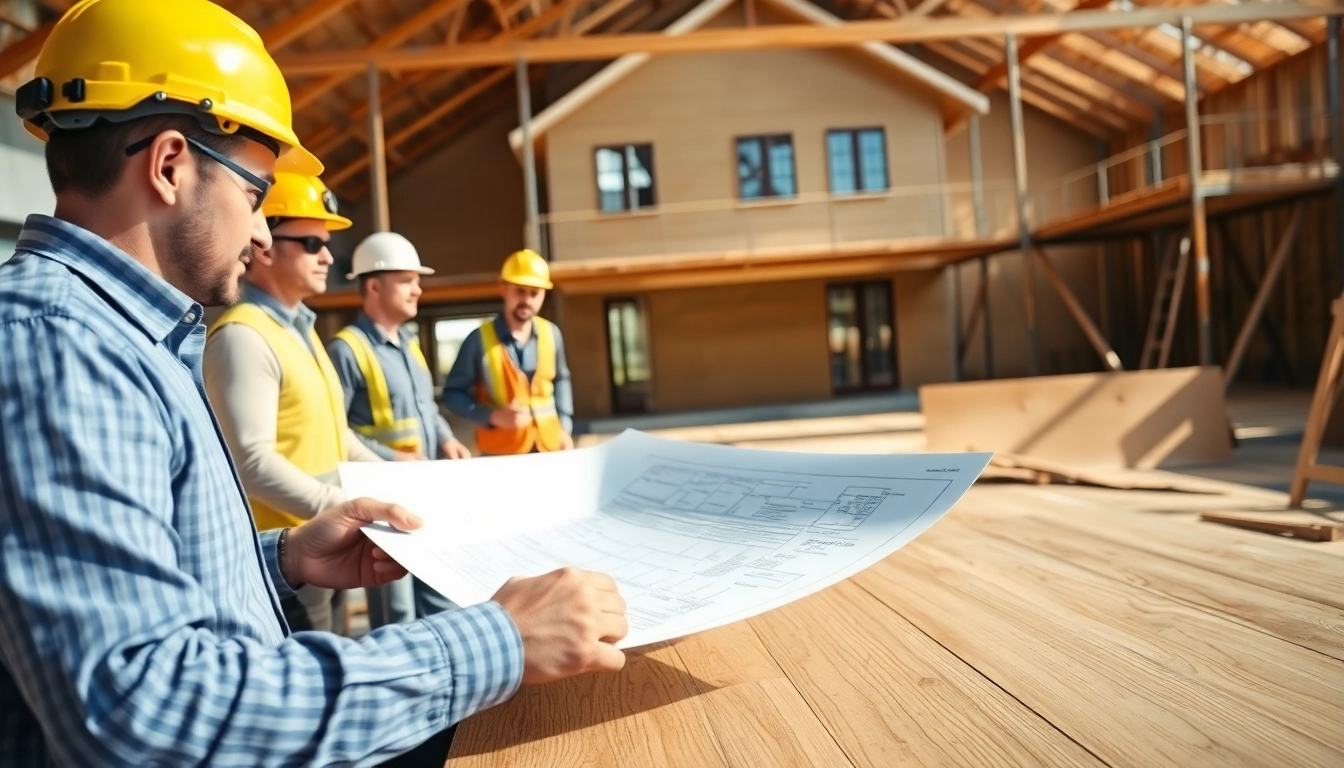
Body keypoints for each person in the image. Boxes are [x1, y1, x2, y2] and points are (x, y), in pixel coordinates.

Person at [0, 1, 626, 766]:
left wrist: (280, 560)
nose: (262, 235)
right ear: (168, 165)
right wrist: (498, 640)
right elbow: (145, 712)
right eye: (257, 197)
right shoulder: (62, 349)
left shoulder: (126, 336)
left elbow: (143, 592)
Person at [203, 171, 382, 634]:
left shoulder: (299, 331)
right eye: (310, 243)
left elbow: (331, 434)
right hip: (286, 556)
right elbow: (252, 463)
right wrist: (343, 504)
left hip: (324, 536)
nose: (327, 256)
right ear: (263, 246)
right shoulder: (243, 337)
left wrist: (391, 477)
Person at [328, 231, 469, 625]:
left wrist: (446, 438)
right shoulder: (346, 350)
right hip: (381, 504)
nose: (417, 290)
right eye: (407, 281)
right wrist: (393, 458)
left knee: (440, 598)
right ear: (373, 285)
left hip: (424, 495)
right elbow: (333, 430)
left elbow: (427, 408)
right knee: (398, 613)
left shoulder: (410, 345)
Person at [442, 249, 576, 455]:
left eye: (535, 293)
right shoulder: (478, 340)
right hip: (499, 453)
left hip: (549, 448)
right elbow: (452, 394)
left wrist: (564, 426)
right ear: (503, 289)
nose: (527, 300)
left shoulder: (551, 334)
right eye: (520, 291)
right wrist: (491, 416)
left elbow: (561, 380)